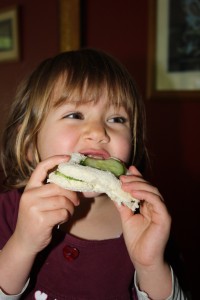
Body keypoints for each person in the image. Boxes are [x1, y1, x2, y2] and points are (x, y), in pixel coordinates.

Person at [0, 49, 187, 299]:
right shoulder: (8, 213)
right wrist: (22, 244)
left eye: (117, 119)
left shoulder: (147, 222)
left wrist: (151, 265)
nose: (99, 131)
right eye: (75, 115)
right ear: (29, 147)